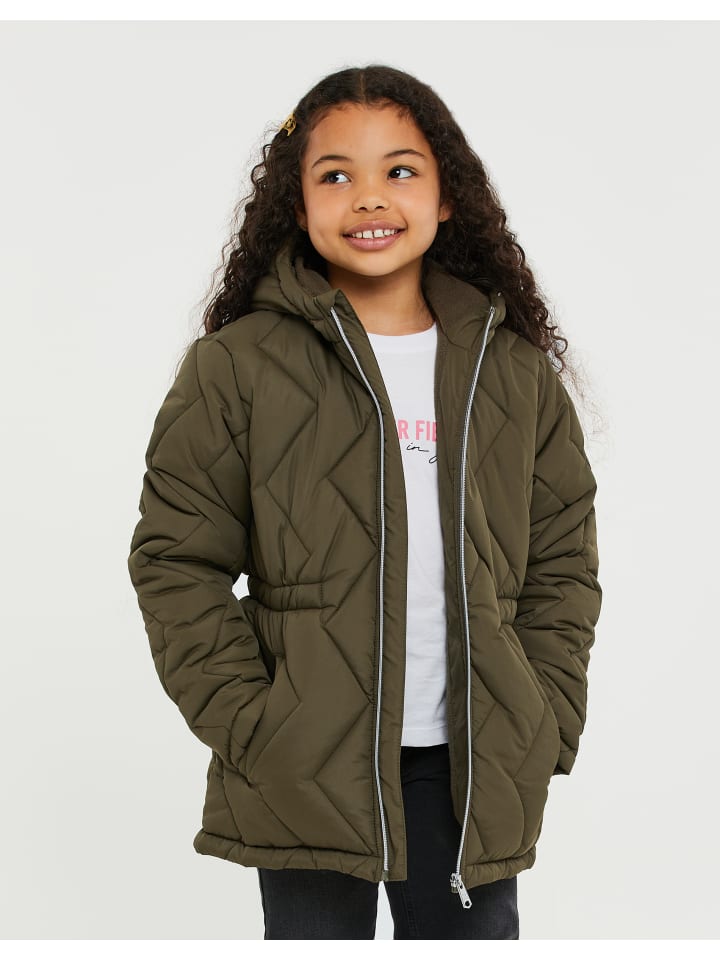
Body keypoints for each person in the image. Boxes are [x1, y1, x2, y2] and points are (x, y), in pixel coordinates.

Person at [127, 64, 602, 940]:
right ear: (297, 202)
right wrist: (253, 725)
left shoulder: (513, 372)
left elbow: (563, 562)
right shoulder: (237, 367)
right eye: (336, 174)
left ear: (448, 195)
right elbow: (176, 561)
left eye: (400, 170)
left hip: (470, 764)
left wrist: (543, 714)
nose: (369, 197)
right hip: (303, 763)